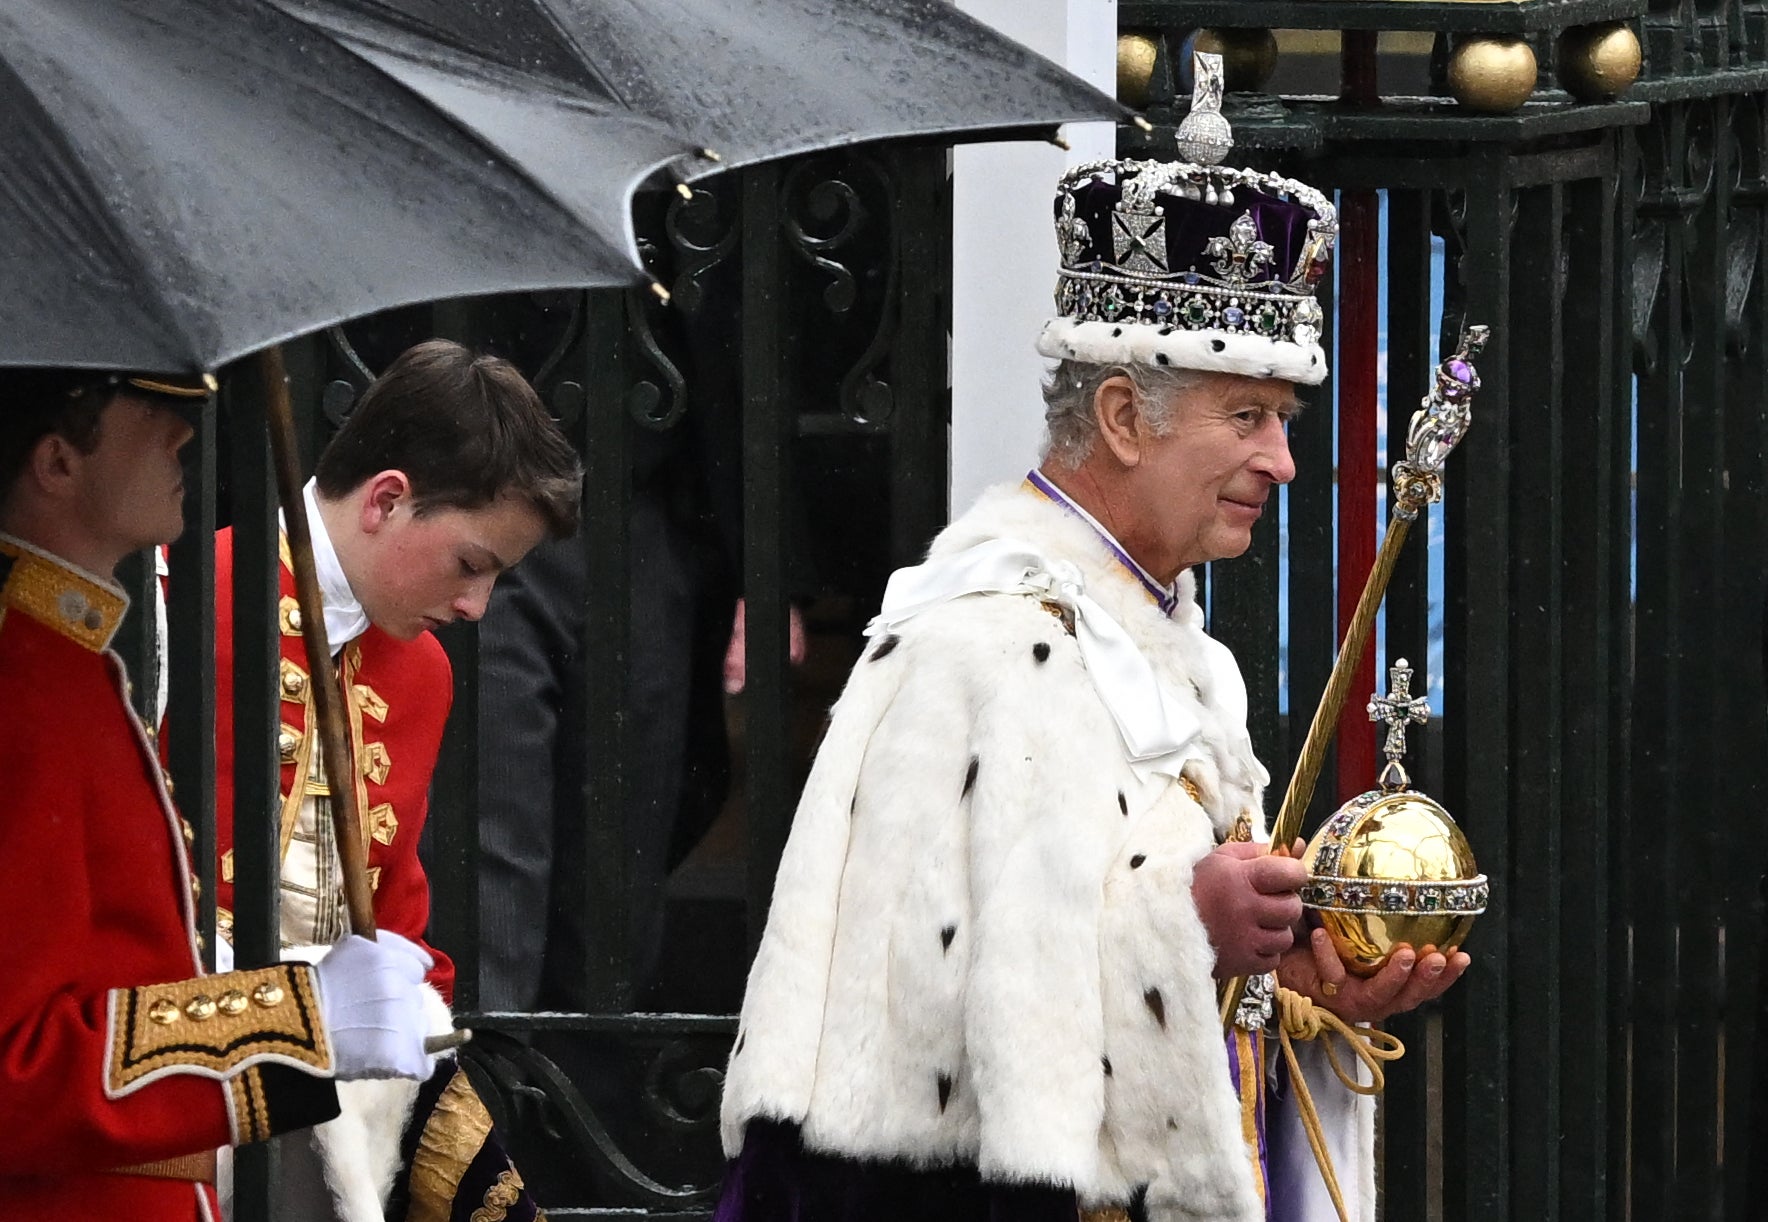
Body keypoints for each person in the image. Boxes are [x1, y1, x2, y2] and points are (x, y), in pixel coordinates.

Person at [714, 143, 1470, 1219]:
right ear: (1121, 416)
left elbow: (1149, 1026)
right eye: (1245, 416)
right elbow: (917, 1048)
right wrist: (1187, 921)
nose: (1281, 462)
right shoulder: (968, 646)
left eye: (1283, 423)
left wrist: (1287, 980)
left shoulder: (1189, 652)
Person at [0, 368, 441, 1222]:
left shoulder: (65, 667)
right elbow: (19, 1065)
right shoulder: (25, 689)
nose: (182, 432)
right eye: (148, 407)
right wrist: (291, 1026)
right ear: (56, 462)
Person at [202, 340, 581, 1220]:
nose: (475, 607)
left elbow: (398, 914)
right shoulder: (192, 598)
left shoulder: (421, 671)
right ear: (386, 499)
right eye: (471, 564)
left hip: (343, 1119)